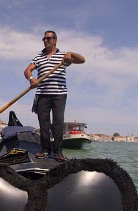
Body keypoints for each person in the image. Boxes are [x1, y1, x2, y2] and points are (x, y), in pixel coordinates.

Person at [24, 30, 85, 161]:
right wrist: (31, 78)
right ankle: (45, 149)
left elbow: (82, 60)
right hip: (42, 94)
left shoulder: (63, 56)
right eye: (44, 39)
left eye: (49, 38)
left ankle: (58, 151)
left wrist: (70, 53)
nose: (46, 41)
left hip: (59, 94)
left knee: (58, 123)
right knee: (44, 123)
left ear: (55, 40)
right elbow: (27, 70)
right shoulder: (38, 57)